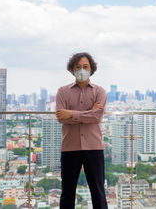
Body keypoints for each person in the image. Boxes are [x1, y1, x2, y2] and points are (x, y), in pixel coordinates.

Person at [56, 52, 108, 209]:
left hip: (94, 147)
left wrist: (71, 113)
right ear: (72, 69)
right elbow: (61, 117)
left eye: (85, 67)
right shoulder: (62, 92)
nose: (81, 70)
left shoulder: (99, 91)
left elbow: (97, 117)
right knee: (67, 193)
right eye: (78, 67)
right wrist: (88, 113)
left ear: (91, 69)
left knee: (98, 192)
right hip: (70, 147)